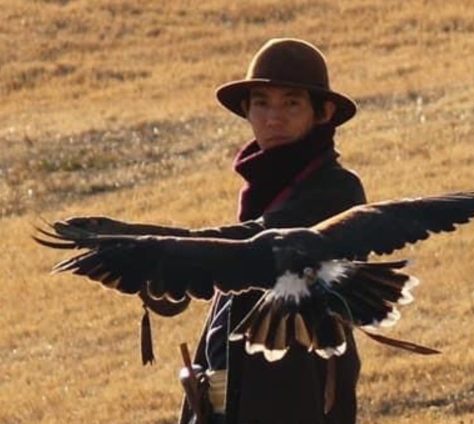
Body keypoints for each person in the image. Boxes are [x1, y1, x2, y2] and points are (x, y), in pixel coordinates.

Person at [67, 38, 366, 424]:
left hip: (296, 399)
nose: (273, 118)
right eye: (261, 103)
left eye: (291, 103)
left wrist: (145, 244)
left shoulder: (336, 189)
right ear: (247, 111)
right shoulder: (266, 191)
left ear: (323, 112)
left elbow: (252, 246)